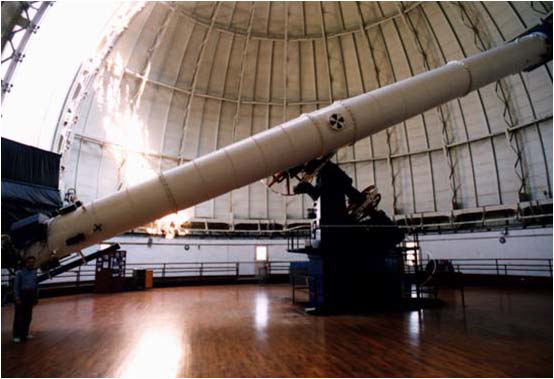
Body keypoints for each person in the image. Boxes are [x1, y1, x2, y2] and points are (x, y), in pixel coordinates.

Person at [12, 256, 38, 343]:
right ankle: (16, 335)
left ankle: (25, 334)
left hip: (30, 295)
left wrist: (35, 298)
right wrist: (17, 298)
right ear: (26, 263)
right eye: (29, 262)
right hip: (22, 295)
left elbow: (35, 286)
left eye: (33, 262)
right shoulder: (19, 273)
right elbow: (15, 287)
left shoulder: (34, 272)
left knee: (28, 316)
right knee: (19, 317)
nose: (31, 263)